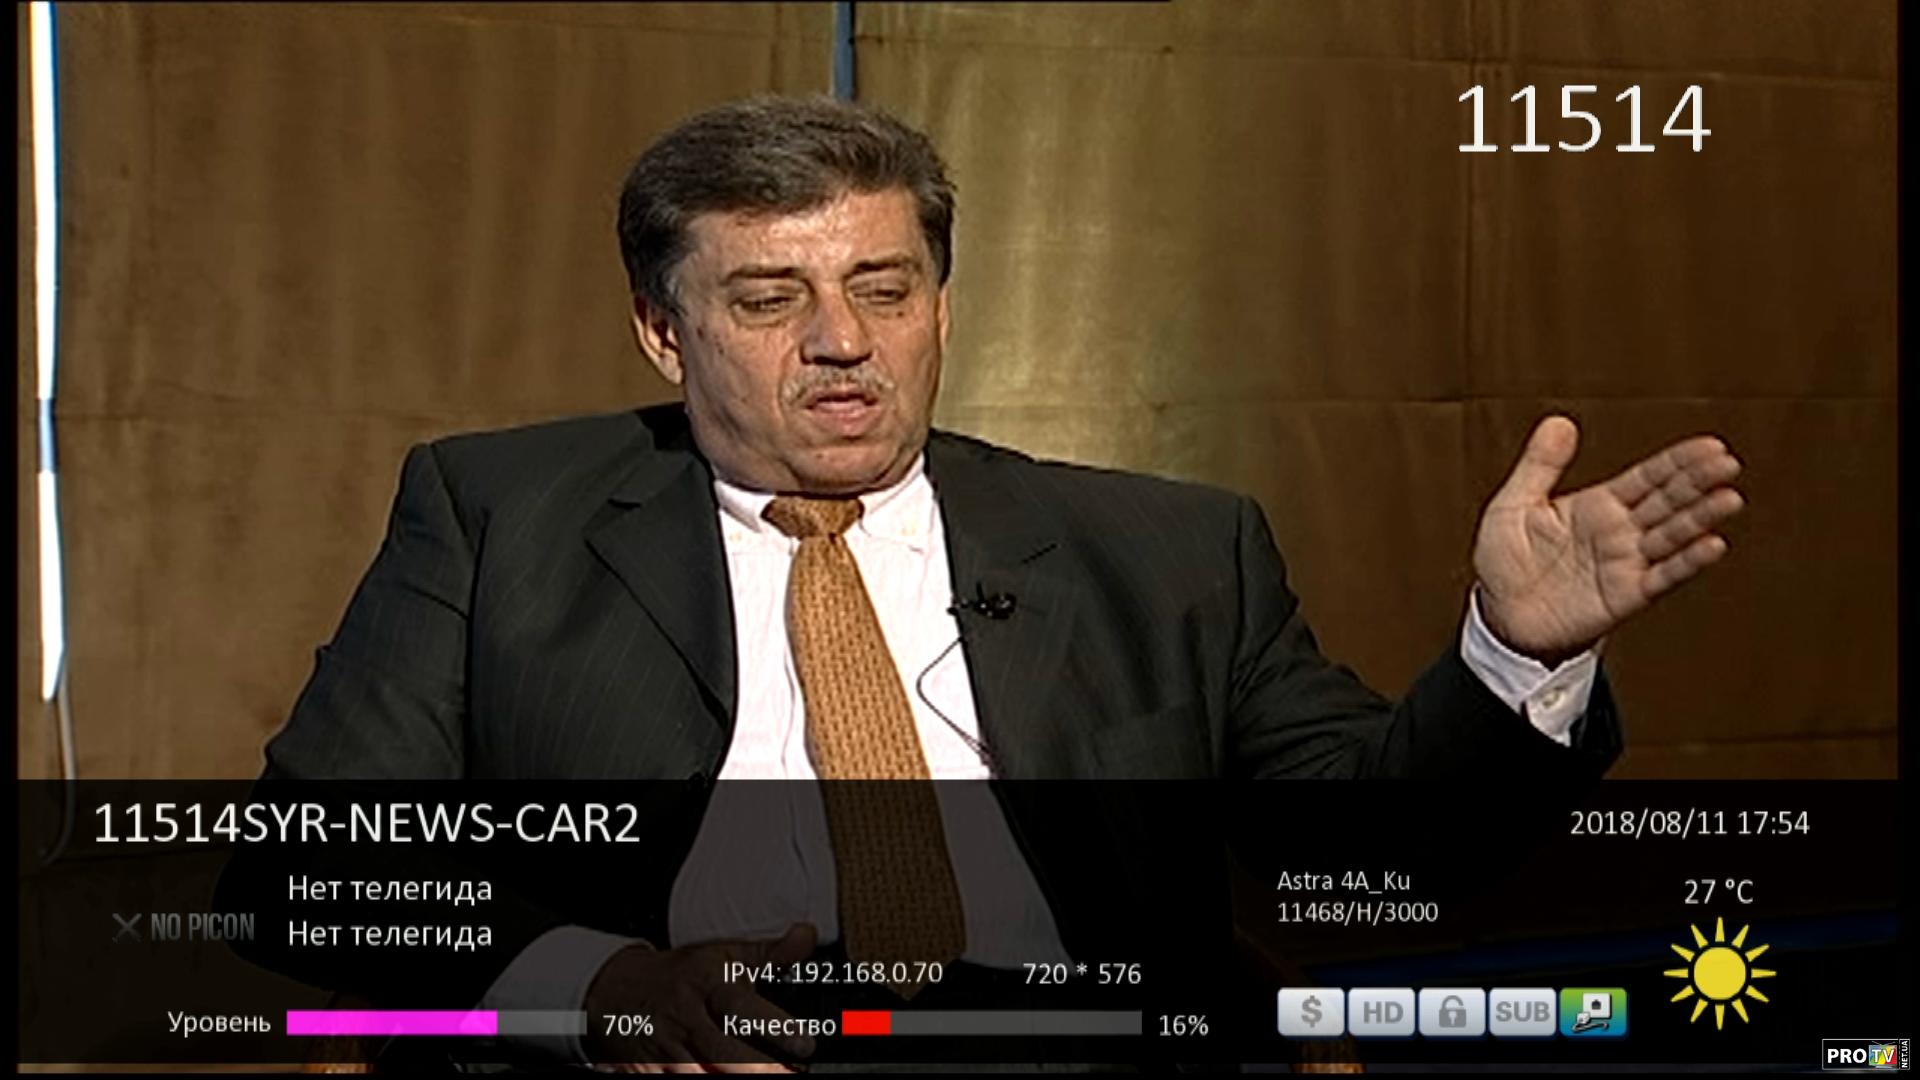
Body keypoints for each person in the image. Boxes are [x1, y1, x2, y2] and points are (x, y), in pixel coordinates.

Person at [255, 95, 1744, 1070]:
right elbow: (304, 877)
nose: (843, 341)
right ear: (662, 330)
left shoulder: (1166, 552)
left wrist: (1511, 654)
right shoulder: (498, 517)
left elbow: (1382, 858)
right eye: (770, 300)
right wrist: (598, 986)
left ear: (941, 304)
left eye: (884, 289)